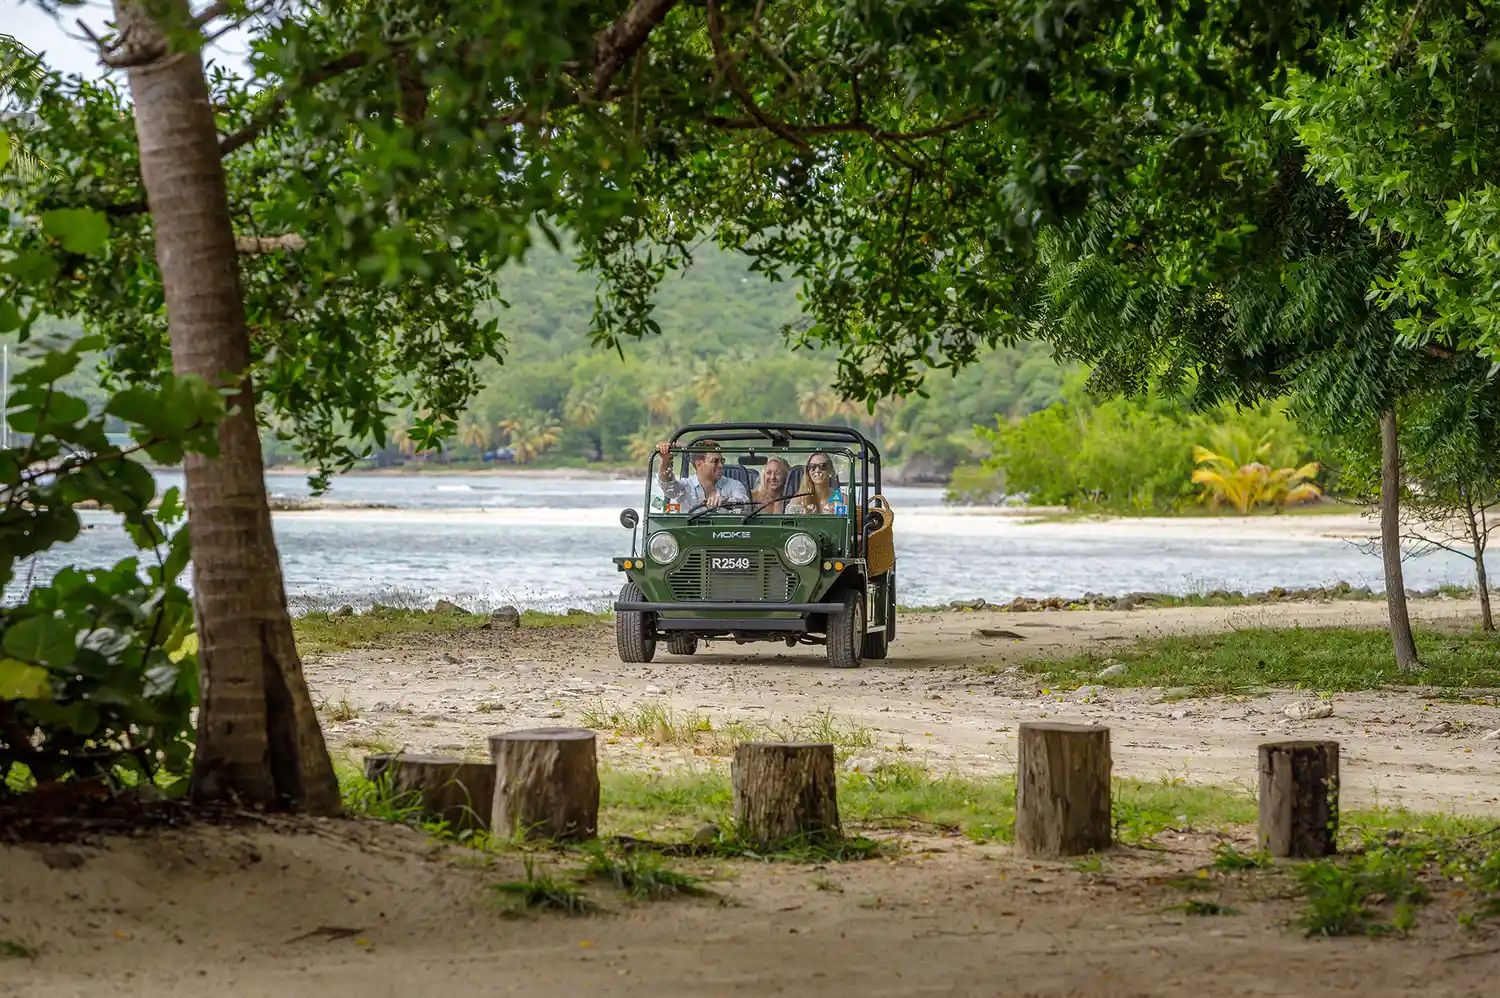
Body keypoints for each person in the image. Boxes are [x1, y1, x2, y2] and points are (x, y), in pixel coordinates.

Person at [654, 440, 750, 512]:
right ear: (699, 464)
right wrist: (665, 461)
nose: (721, 465)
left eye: (722, 461)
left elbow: (746, 505)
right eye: (715, 461)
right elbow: (667, 486)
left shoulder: (734, 485)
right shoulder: (686, 487)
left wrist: (725, 501)